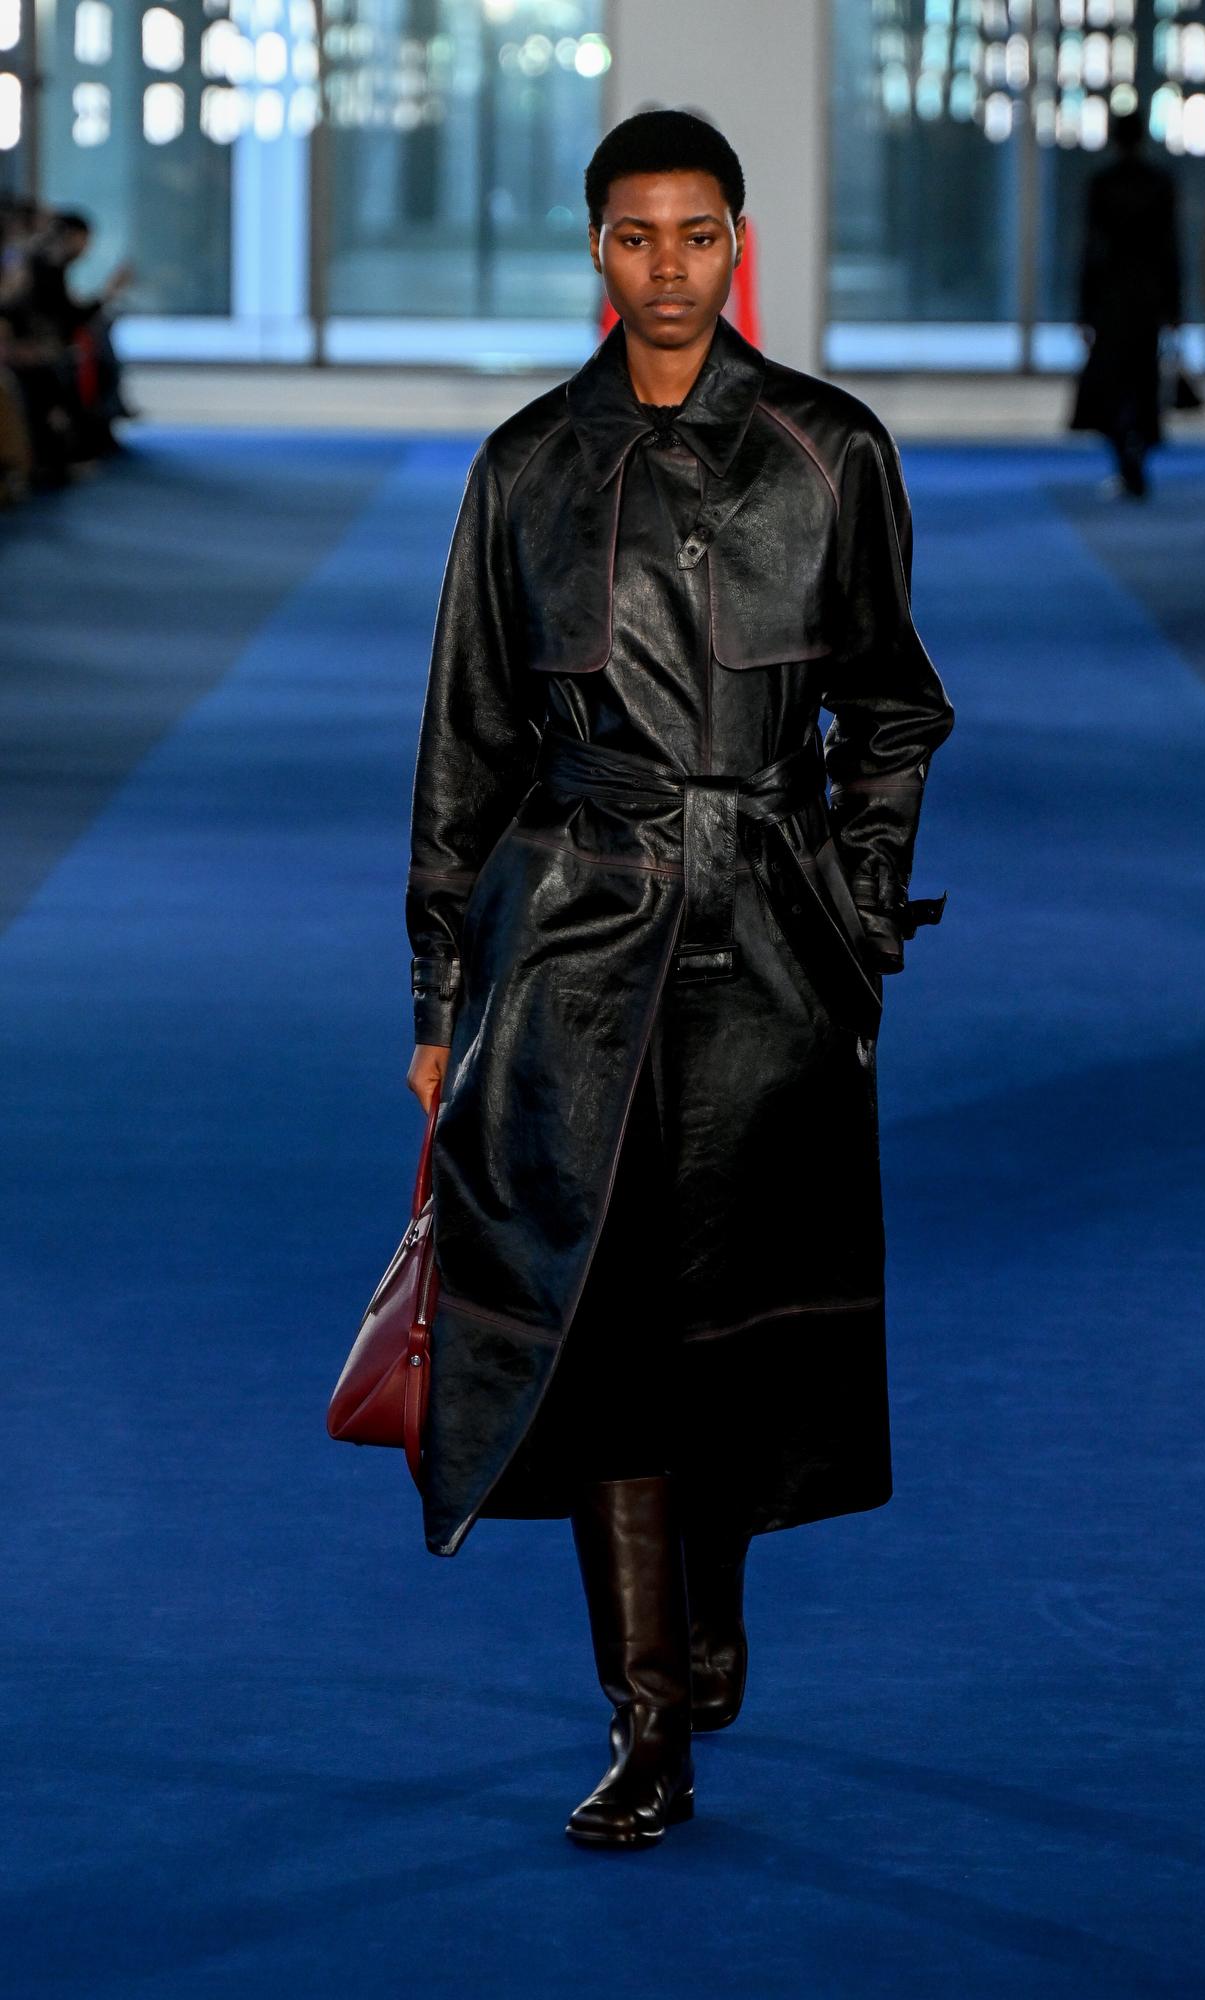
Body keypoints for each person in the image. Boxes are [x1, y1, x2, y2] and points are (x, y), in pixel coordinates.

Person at [401, 109, 953, 1850]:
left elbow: (892, 706)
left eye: (696, 234)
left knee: (732, 1318)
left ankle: (706, 1617)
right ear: (596, 249)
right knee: (610, 1335)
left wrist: (859, 915)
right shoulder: (524, 468)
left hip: (771, 938)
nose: (666, 268)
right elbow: (465, 743)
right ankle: (645, 1718)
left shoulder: (828, 451)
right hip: (572, 942)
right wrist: (438, 999)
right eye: (635, 236)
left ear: (737, 244)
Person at [1071, 108, 1183, 499]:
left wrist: (1084, 309)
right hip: (1148, 297)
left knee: (1112, 383)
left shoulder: (1103, 184)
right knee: (1143, 381)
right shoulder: (1160, 183)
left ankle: (1125, 456)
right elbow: (1170, 250)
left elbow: (1092, 249)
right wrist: (1174, 308)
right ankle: (1137, 455)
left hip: (1112, 296)